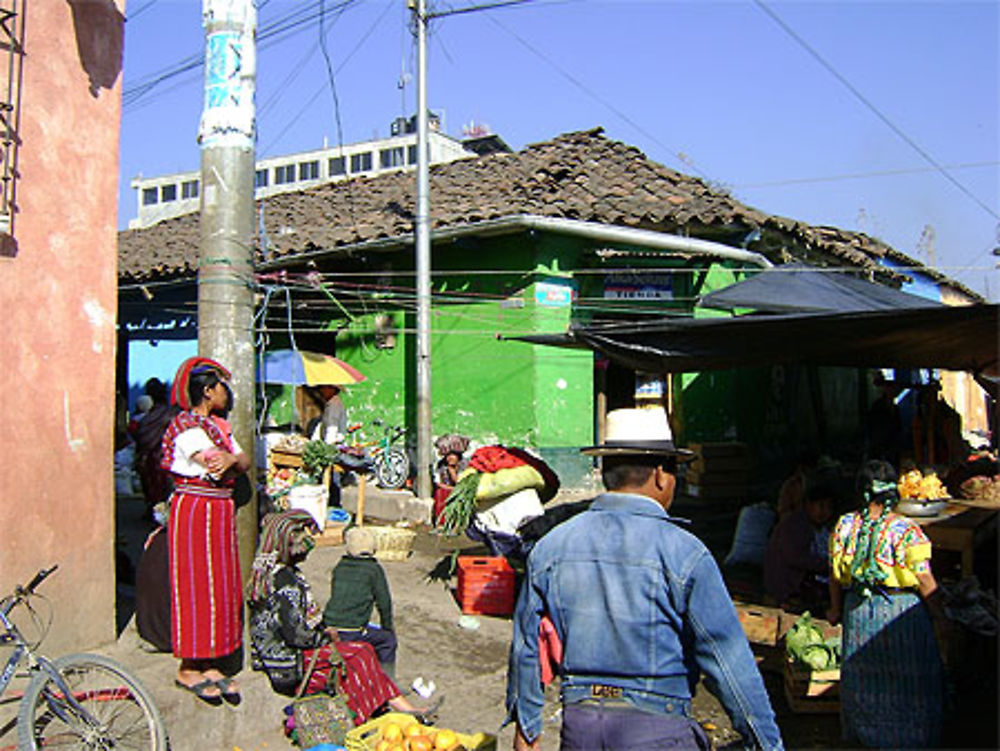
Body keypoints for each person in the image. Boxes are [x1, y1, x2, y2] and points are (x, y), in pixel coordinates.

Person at [506, 407, 783, 751]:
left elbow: (527, 648)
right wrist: (766, 743)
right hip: (659, 730)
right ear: (661, 475)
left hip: (582, 729)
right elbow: (727, 658)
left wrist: (528, 727)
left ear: (606, 471)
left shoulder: (551, 548)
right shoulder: (685, 553)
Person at [248, 511, 436, 725]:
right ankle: (375, 715)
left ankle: (406, 710)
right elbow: (296, 635)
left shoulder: (279, 572)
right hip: (286, 663)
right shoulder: (284, 580)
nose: (308, 540)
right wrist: (326, 638)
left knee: (362, 652)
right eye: (301, 533)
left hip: (286, 654)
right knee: (358, 654)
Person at [827, 460, 947, 748]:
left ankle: (867, 737)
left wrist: (834, 609)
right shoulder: (906, 530)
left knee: (865, 680)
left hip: (858, 612)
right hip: (901, 614)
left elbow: (833, 574)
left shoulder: (844, 525)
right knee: (909, 681)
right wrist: (940, 616)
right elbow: (924, 579)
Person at [160, 357, 250, 705]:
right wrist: (230, 461)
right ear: (209, 391)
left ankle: (212, 661)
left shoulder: (220, 426)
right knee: (197, 584)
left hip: (219, 509)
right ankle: (188, 667)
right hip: (196, 510)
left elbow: (241, 462)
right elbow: (217, 464)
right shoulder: (186, 427)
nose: (227, 394)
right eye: (222, 388)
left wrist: (233, 461)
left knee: (221, 584)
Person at [322, 527, 398, 679]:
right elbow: (384, 603)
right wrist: (388, 627)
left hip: (329, 625)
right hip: (352, 630)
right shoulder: (373, 570)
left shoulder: (340, 566)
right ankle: (387, 683)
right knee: (388, 641)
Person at [763, 476, 835, 612]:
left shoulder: (819, 527)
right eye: (820, 506)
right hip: (787, 587)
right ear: (808, 505)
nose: (823, 512)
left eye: (828, 507)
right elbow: (797, 558)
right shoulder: (796, 525)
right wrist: (829, 565)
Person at [134, 377, 177, 514]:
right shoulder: (170, 414)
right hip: (162, 457)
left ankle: (155, 509)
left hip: (152, 457)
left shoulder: (148, 418)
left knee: (154, 486)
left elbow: (141, 437)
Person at [865, 372, 902, 466]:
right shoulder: (878, 406)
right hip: (879, 447)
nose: (892, 392)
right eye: (890, 389)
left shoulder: (895, 408)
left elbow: (898, 427)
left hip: (892, 448)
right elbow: (873, 427)